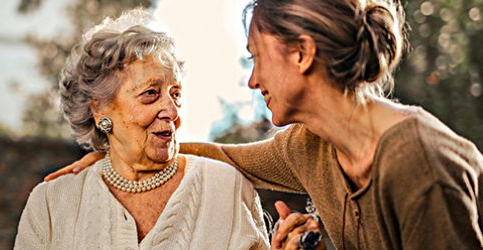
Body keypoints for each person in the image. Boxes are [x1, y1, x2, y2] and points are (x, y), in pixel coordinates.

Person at [45, 0, 483, 249]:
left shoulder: (419, 163)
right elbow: (224, 155)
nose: (253, 79)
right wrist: (117, 152)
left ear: (302, 54)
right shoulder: (309, 146)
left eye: (257, 56)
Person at [14, 9, 273, 249]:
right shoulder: (51, 204)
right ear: (100, 110)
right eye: (150, 93)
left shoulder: (227, 188)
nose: (172, 112)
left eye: (176, 94)